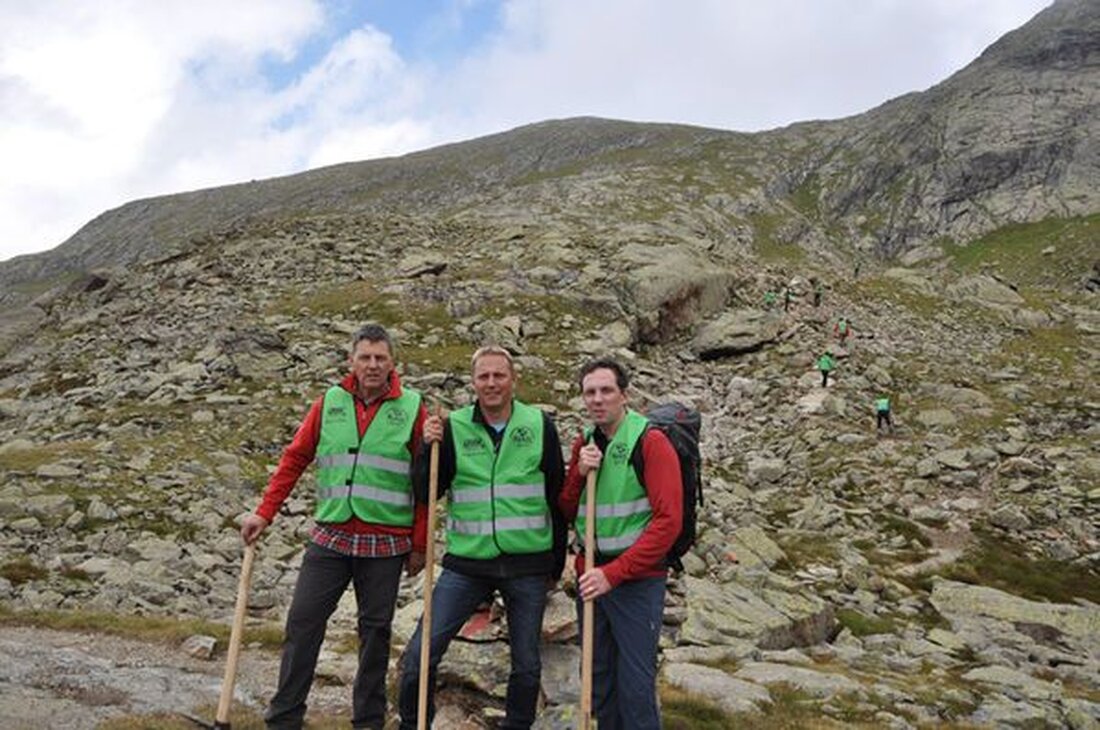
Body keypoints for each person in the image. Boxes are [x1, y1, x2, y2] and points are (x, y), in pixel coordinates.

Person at [240, 323, 429, 730]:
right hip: (331, 538)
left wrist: (419, 543)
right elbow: (295, 458)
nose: (373, 365)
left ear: (393, 362)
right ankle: (285, 718)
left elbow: (426, 484)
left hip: (386, 543)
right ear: (352, 361)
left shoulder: (414, 407)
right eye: (365, 357)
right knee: (303, 623)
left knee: (375, 634)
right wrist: (264, 512)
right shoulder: (329, 403)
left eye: (381, 358)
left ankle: (368, 722)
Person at [398, 345, 565, 730]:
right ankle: (413, 723)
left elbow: (555, 499)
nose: (491, 383)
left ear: (513, 380)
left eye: (499, 375)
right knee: (420, 656)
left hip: (527, 564)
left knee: (526, 664)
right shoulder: (453, 426)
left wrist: (554, 565)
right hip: (467, 564)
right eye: (484, 376)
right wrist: (426, 448)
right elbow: (426, 492)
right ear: (473, 382)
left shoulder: (539, 425)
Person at [560, 358, 683, 730]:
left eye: (606, 391)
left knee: (635, 686)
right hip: (592, 577)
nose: (597, 400)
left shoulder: (650, 441)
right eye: (590, 392)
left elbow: (669, 521)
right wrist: (579, 473)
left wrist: (614, 574)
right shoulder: (585, 440)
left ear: (624, 395)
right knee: (598, 682)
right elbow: (565, 508)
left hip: (635, 580)